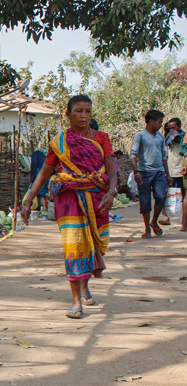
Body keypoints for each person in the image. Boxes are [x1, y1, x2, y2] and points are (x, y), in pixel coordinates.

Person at [21, 94, 118, 319]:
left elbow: (112, 170)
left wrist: (112, 192)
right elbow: (43, 174)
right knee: (74, 245)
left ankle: (84, 286)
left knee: (93, 244)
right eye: (79, 111)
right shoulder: (60, 142)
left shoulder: (102, 138)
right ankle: (76, 299)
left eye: (88, 111)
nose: (84, 116)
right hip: (69, 198)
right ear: (68, 114)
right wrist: (27, 201)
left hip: (97, 198)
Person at [130, 109, 173, 238]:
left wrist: (167, 174)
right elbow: (133, 155)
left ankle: (154, 221)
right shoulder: (140, 136)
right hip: (144, 173)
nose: (161, 125)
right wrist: (136, 172)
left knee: (161, 196)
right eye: (159, 122)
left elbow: (163, 156)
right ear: (152, 121)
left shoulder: (160, 137)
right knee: (145, 201)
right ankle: (146, 228)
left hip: (159, 172)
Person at [164, 117, 187, 231]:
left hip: (182, 171)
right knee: (168, 195)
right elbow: (166, 156)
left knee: (184, 197)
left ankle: (184, 223)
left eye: (175, 128)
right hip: (171, 171)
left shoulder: (184, 138)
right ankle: (167, 218)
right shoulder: (168, 139)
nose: (172, 130)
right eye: (170, 128)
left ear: (179, 127)